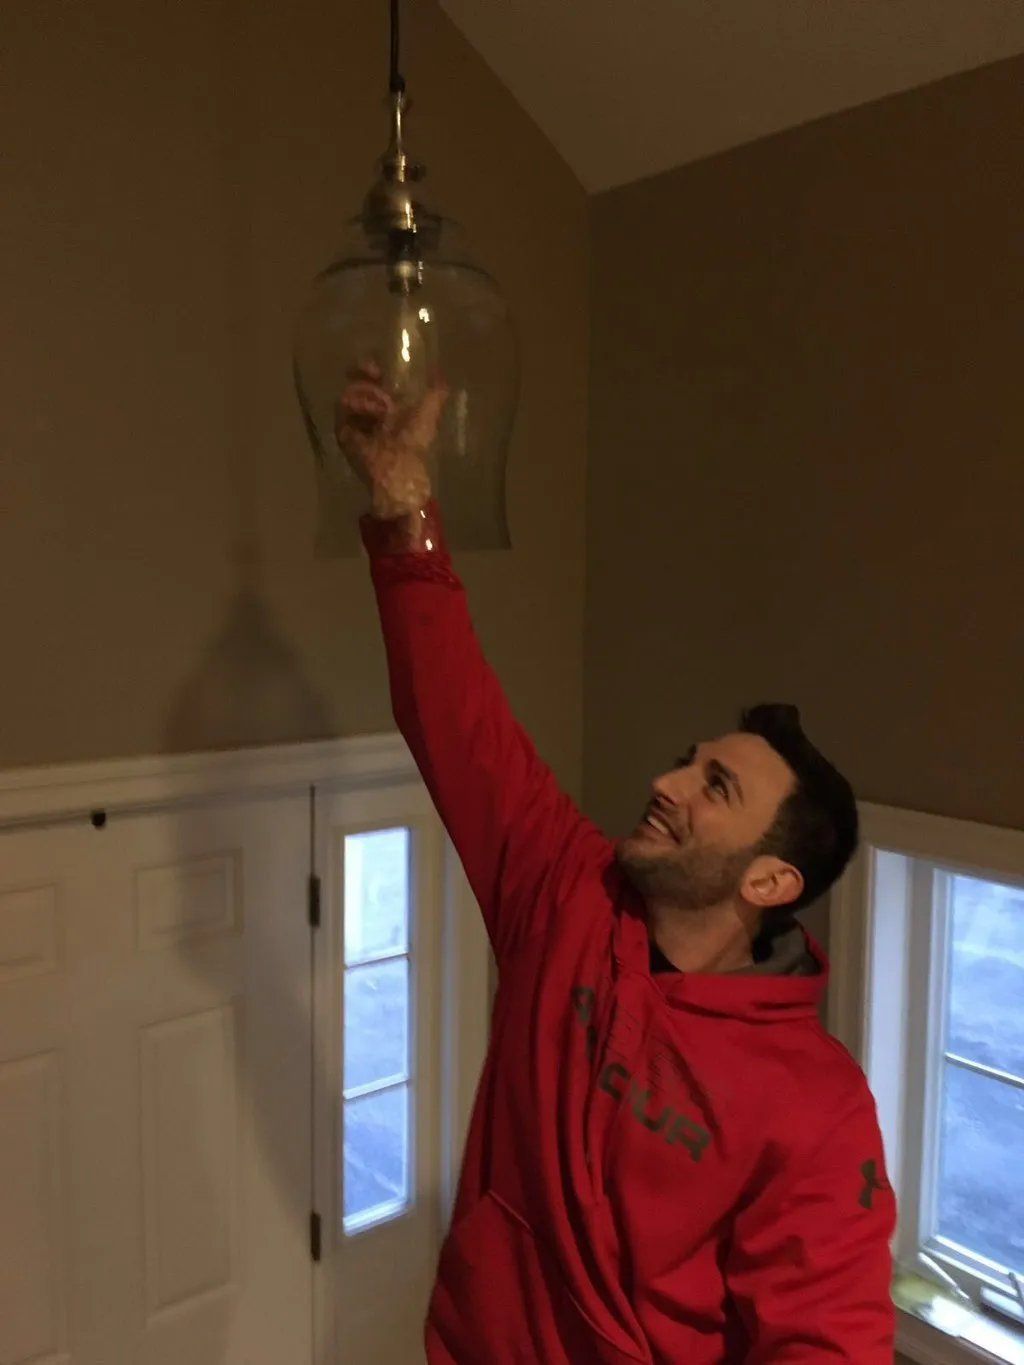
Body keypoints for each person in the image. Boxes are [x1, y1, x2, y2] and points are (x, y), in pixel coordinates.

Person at [339, 362, 897, 1363]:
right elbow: (455, 712)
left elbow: (823, 1341)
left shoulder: (814, 1105)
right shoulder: (566, 893)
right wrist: (402, 511)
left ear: (771, 883)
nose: (667, 781)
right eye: (689, 761)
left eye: (714, 787)